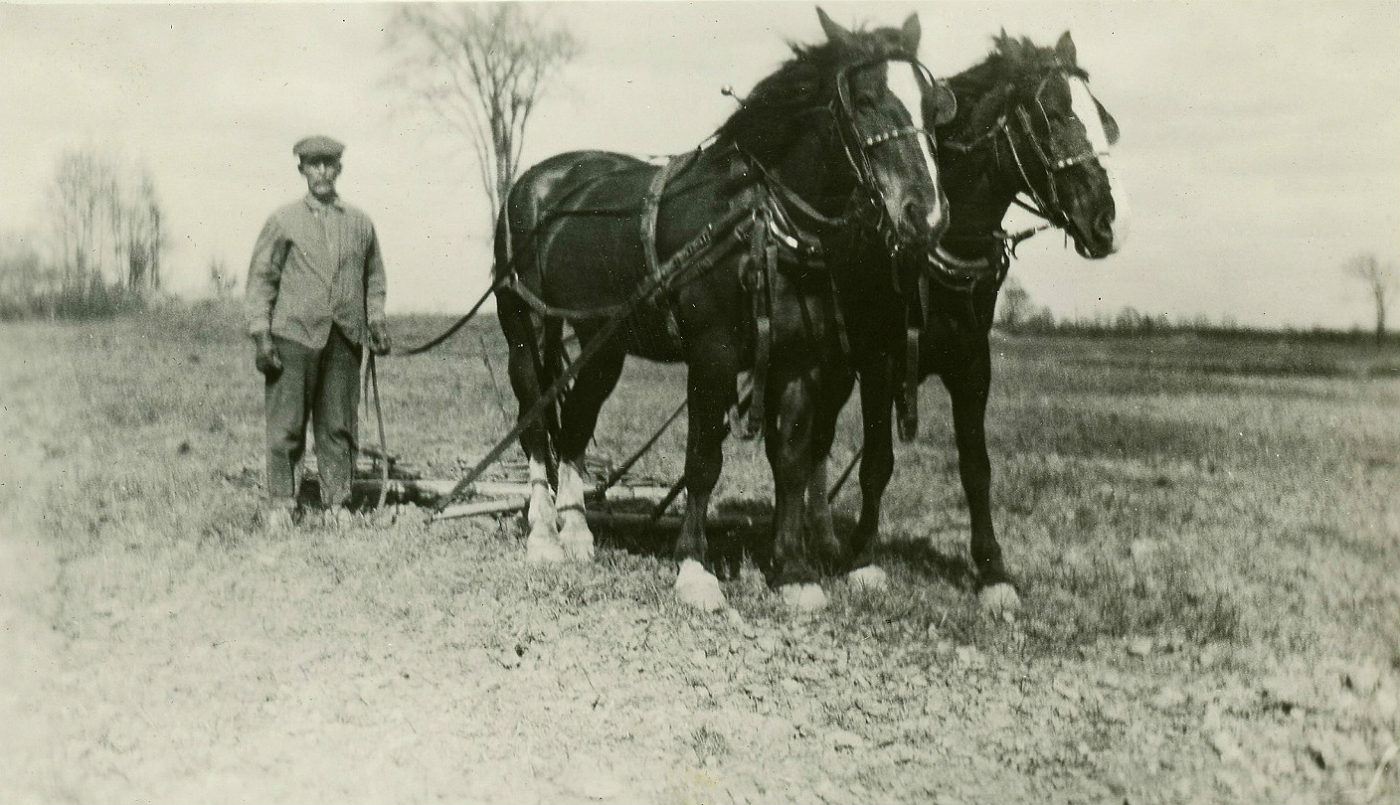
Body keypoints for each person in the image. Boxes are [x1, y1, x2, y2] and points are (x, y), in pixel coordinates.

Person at [245, 135, 391, 529]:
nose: (322, 171)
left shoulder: (360, 223)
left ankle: (337, 502)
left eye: (329, 164)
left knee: (338, 425)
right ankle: (281, 504)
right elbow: (261, 280)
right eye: (314, 164)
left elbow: (374, 276)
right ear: (302, 170)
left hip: (344, 337)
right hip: (292, 337)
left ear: (339, 169)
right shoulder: (283, 221)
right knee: (287, 424)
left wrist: (374, 320)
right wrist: (261, 336)